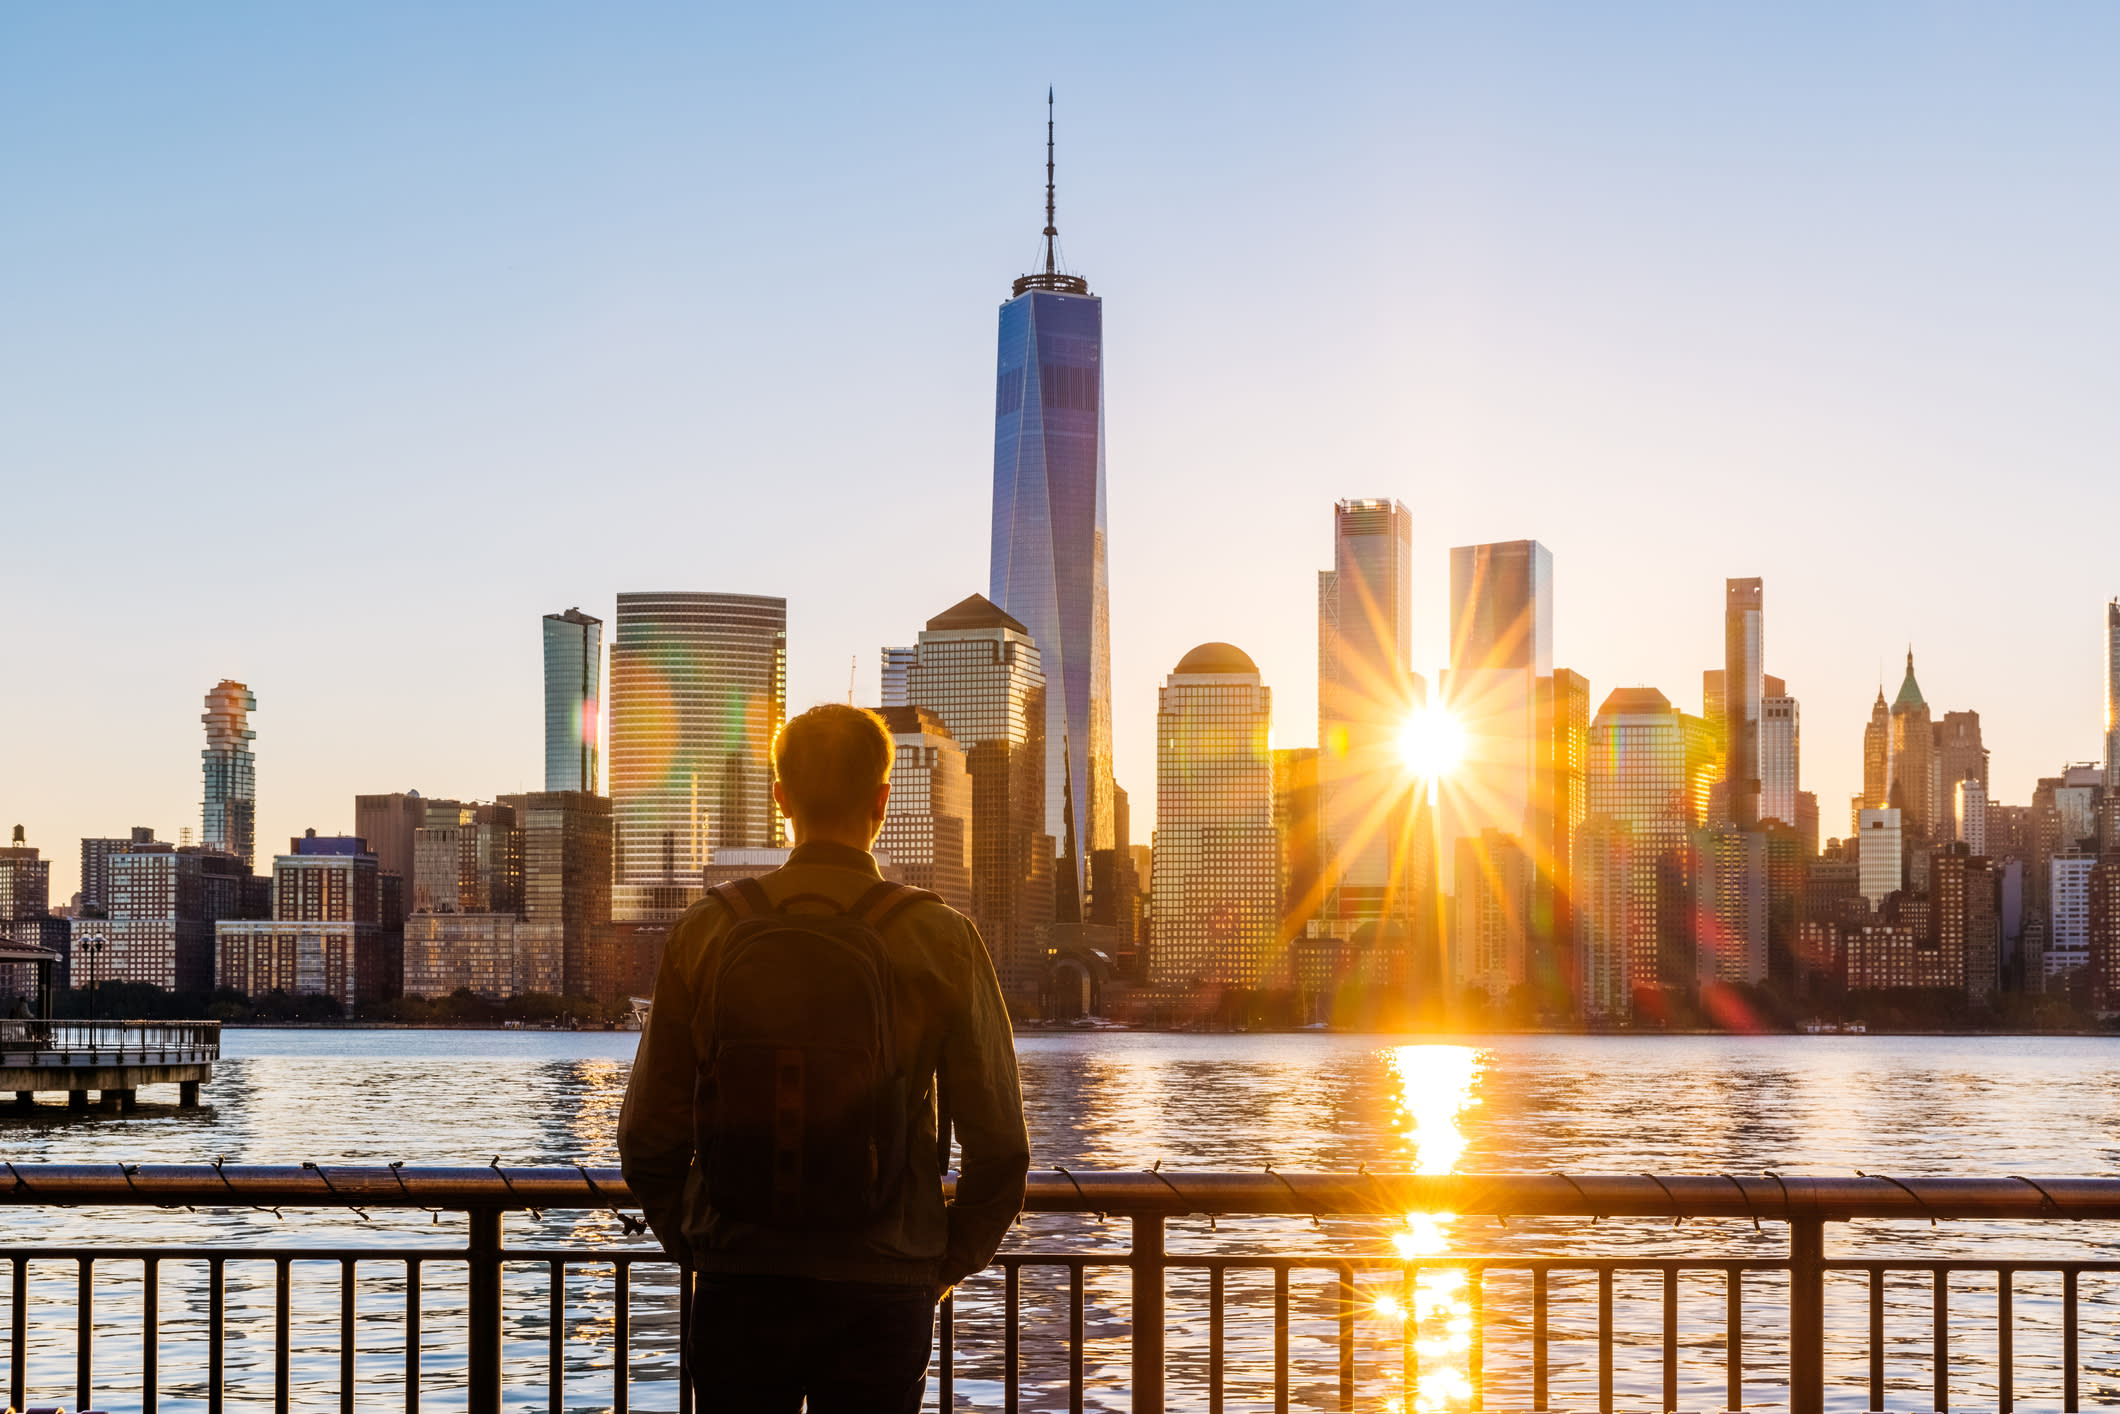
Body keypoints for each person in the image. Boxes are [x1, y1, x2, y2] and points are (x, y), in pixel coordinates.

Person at [619, 703, 1029, 1412]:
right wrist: (935, 1260)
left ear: (782, 800)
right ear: (882, 800)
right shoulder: (940, 935)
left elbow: (647, 1137)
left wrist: (704, 1245)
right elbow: (1000, 1150)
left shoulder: (708, 928)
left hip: (739, 1274)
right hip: (886, 1280)